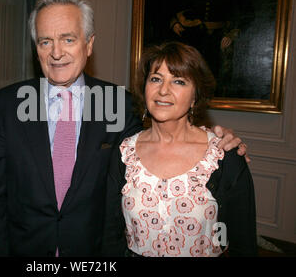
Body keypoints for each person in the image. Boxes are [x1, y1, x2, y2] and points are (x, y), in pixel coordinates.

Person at [0, 0, 247, 257]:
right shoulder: (5, 106)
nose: (56, 53)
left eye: (68, 39)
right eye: (45, 41)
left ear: (89, 44)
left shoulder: (120, 104)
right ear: (36, 48)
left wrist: (217, 139)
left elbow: (159, 145)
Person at [103, 41, 257, 257]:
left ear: (195, 96)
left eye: (178, 81)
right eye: (156, 79)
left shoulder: (223, 155)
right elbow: (110, 237)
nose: (163, 90)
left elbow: (244, 245)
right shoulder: (124, 153)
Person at [170, 0, 249, 96]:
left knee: (215, 78)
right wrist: (175, 22)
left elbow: (245, 13)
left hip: (219, 38)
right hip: (196, 37)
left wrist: (231, 34)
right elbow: (184, 8)